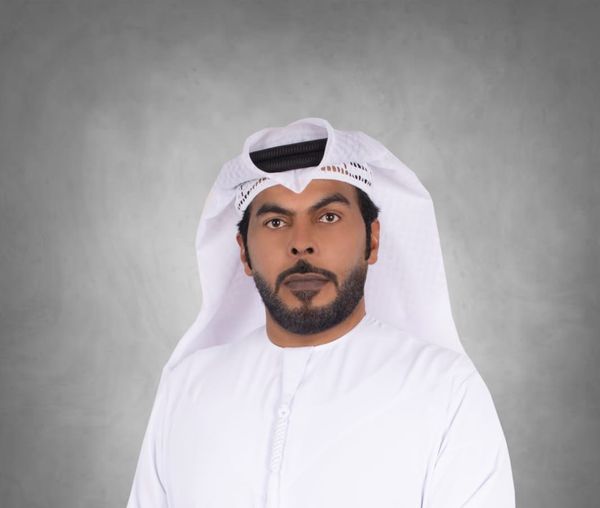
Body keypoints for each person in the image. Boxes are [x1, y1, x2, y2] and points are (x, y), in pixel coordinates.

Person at [126, 118, 515, 507]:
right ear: (244, 252)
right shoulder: (187, 390)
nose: (301, 244)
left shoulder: (446, 390)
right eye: (276, 222)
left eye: (328, 217)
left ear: (373, 240)